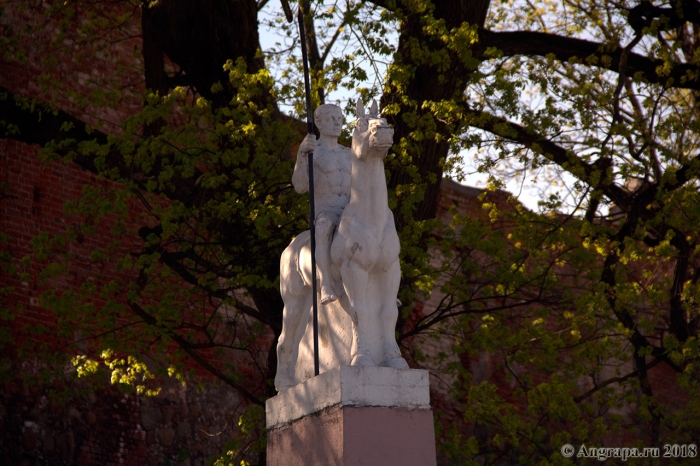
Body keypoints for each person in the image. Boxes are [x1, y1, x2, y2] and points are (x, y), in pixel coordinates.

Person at [292, 103, 351, 305]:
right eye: (330, 119)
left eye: (339, 119)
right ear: (318, 123)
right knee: (324, 228)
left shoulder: (350, 153)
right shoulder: (313, 151)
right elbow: (300, 186)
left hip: (350, 211)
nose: (337, 123)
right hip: (326, 211)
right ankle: (325, 280)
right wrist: (301, 155)